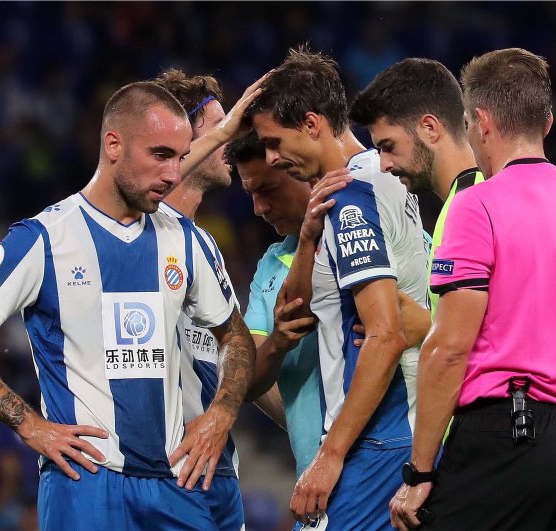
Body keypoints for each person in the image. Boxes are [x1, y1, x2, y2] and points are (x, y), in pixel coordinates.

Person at [0, 81, 256, 531]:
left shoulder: (186, 239)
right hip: (85, 482)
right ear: (113, 145)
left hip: (174, 484)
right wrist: (29, 425)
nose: (174, 175)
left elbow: (234, 335)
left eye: (180, 158)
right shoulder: (43, 239)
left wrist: (222, 412)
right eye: (160, 155)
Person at [391, 48, 556, 531]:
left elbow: (447, 349)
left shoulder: (475, 205)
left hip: (507, 436)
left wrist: (419, 471)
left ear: (480, 123)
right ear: (546, 122)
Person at [248, 47, 430, 529]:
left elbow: (387, 333)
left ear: (311, 124)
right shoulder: (386, 176)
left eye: (273, 141)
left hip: (374, 436)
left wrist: (329, 455)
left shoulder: (349, 200)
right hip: (408, 428)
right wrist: (307, 238)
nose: (270, 157)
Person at [154, 68, 245, 531]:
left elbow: (229, 351)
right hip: (169, 469)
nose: (233, 139)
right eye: (221, 126)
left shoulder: (203, 244)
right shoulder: (136, 228)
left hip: (219, 467)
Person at [349, 57, 485, 320]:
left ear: (429, 129)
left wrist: (425, 328)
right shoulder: (475, 199)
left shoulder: (470, 210)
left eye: (388, 146)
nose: (384, 165)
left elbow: (464, 346)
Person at [225, 131, 323, 478]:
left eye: (268, 189)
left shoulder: (370, 235)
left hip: (389, 463)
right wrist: (279, 342)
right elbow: (248, 383)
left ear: (301, 170)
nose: (259, 209)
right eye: (250, 194)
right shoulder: (271, 264)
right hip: (315, 474)